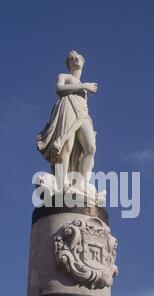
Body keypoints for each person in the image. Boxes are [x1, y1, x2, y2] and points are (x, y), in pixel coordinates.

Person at [36, 50, 98, 191]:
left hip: (83, 113)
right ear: (68, 64)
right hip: (67, 107)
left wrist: (84, 86)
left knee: (90, 148)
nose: (75, 60)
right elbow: (59, 89)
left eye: (78, 58)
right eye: (72, 59)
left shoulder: (83, 83)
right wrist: (84, 86)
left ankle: (81, 184)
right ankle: (61, 185)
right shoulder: (64, 76)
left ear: (83, 62)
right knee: (66, 147)